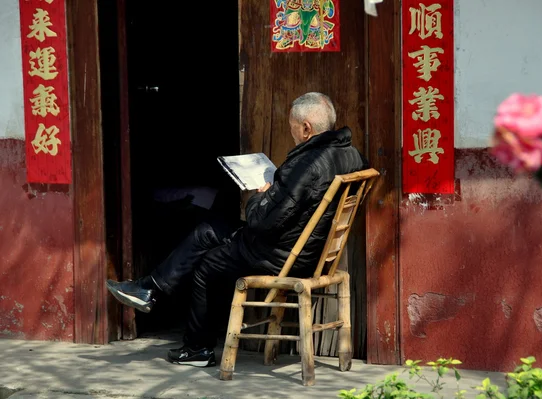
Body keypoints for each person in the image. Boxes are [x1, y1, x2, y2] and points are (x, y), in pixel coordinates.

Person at [106, 92, 369, 367]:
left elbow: (261, 222)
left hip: (285, 254)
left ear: (306, 128)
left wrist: (260, 193)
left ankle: (191, 340)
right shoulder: (350, 155)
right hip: (309, 251)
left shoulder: (307, 165)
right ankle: (150, 288)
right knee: (209, 231)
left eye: (292, 126)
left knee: (207, 260)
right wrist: (278, 190)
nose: (291, 133)